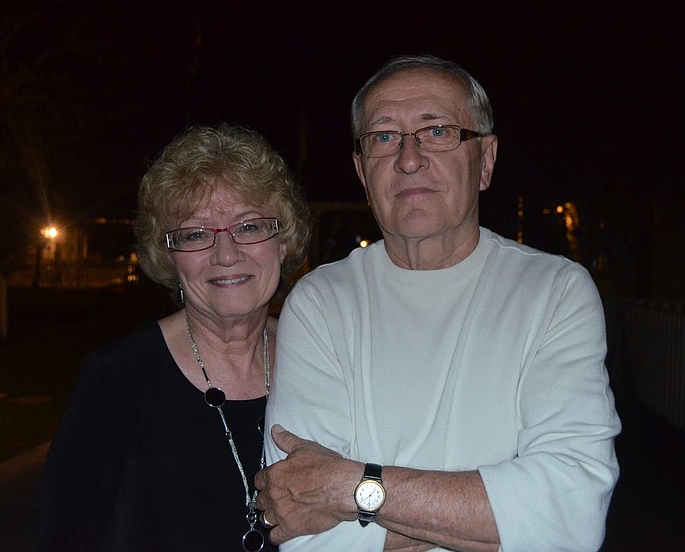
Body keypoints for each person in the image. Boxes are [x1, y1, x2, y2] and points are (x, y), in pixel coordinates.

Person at [254, 55, 621, 551]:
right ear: (362, 171)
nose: (409, 159)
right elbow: (302, 530)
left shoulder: (554, 292)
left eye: (438, 132)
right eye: (384, 137)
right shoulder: (320, 303)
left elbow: (572, 515)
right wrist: (495, 517)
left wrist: (350, 487)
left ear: (485, 161)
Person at [38, 124, 310, 551]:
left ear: (283, 243)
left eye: (250, 226)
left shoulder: (321, 359)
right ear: (168, 257)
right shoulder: (118, 380)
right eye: (196, 234)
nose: (226, 254)